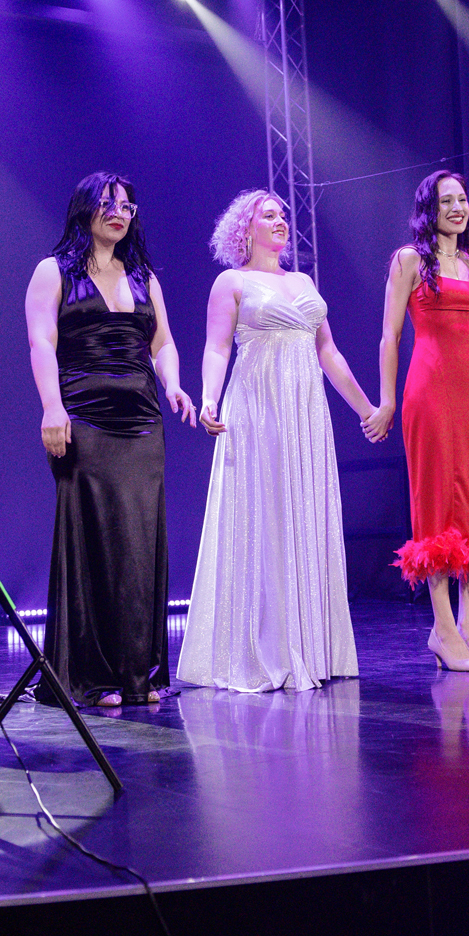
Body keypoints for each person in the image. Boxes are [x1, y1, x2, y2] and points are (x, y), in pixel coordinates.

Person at [179, 190, 378, 692]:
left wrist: (366, 408)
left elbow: (329, 352)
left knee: (304, 512)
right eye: (269, 215)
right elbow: (216, 347)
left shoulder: (303, 282)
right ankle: (263, 647)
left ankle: (310, 645)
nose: (281, 221)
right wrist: (208, 399)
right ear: (245, 228)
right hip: (258, 409)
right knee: (264, 515)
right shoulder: (232, 281)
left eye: (283, 215)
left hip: (305, 413)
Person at [25, 172, 197, 707]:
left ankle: (136, 671)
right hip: (83, 417)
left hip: (142, 420)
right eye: (108, 204)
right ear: (85, 210)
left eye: (127, 206)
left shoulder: (144, 275)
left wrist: (174, 384)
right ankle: (94, 675)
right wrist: (51, 407)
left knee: (139, 540)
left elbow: (163, 343)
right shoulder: (53, 271)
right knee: (95, 538)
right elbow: (41, 342)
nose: (119, 213)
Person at [367, 170, 469, 673]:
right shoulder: (409, 260)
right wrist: (386, 401)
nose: (457, 208)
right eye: (446, 201)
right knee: (437, 502)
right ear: (429, 209)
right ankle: (443, 629)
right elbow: (390, 336)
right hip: (429, 391)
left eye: (462, 199)